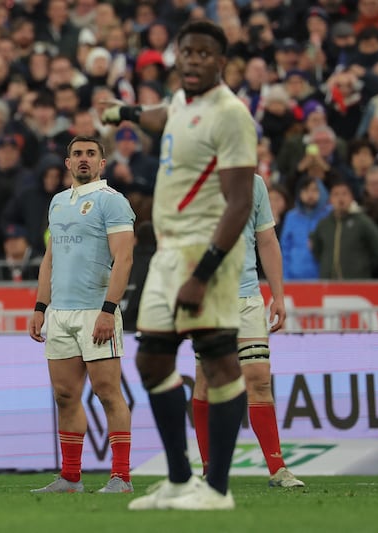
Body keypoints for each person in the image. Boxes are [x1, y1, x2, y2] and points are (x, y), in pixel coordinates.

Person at [102, 20, 256, 510]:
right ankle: (178, 479)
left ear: (221, 62)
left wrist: (204, 271)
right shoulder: (180, 104)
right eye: (186, 51)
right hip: (168, 252)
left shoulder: (231, 115)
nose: (193, 59)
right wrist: (123, 112)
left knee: (218, 360)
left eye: (204, 53)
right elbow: (159, 115)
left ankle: (218, 490)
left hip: (203, 252)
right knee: (150, 360)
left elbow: (239, 202)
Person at [28, 135, 135, 494]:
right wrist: (41, 307)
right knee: (64, 395)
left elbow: (124, 258)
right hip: (60, 313)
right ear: (68, 163)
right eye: (77, 154)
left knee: (107, 392)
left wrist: (109, 309)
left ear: (102, 163)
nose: (84, 159)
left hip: (95, 311)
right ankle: (70, 478)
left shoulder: (112, 202)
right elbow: (50, 259)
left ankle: (121, 477)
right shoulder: (58, 203)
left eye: (91, 153)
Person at [191, 175, 305, 488]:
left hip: (248, 298)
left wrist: (278, 294)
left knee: (258, 378)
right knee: (207, 382)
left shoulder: (254, 183)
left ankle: (278, 468)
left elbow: (266, 239)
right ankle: (209, 469)